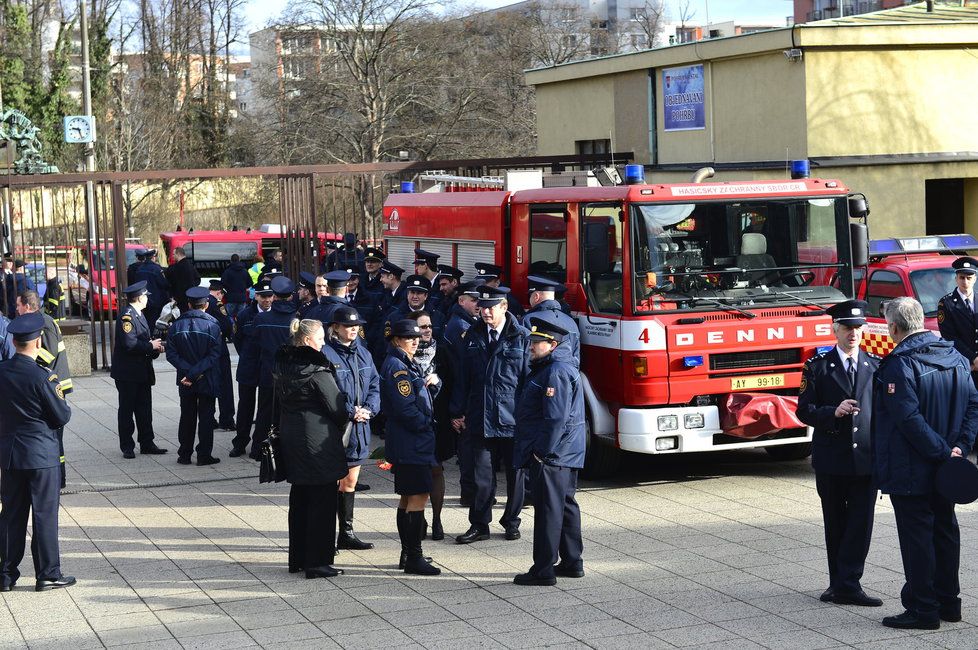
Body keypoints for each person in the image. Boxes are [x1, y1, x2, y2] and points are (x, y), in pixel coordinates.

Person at [873, 296, 978, 630]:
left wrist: (943, 451)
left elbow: (908, 419)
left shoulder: (899, 363)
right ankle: (950, 604)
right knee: (945, 531)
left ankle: (924, 609)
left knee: (917, 537)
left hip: (913, 467)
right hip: (947, 466)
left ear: (893, 328)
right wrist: (959, 447)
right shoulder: (956, 356)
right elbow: (974, 405)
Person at [796, 300, 882, 607]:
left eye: (858, 328)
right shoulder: (817, 366)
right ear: (835, 330)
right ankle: (839, 584)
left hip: (865, 460)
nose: (853, 334)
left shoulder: (875, 365)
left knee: (861, 523)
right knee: (836, 522)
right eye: (847, 328)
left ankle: (849, 583)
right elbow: (804, 411)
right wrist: (834, 412)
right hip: (832, 458)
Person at [0, 313, 75, 592]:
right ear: (38, 341)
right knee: (44, 515)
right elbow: (61, 415)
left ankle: (6, 574)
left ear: (14, 341)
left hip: (9, 455)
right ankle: (47, 574)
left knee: (11, 515)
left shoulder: (2, 371)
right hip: (41, 457)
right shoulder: (44, 376)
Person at [451, 285, 530, 544]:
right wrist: (457, 410)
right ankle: (479, 524)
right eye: (482, 307)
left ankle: (511, 521)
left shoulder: (522, 337)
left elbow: (529, 381)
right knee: (481, 475)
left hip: (512, 418)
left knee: (515, 474)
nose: (485, 312)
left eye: (490, 307)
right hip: (480, 415)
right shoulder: (472, 335)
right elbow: (462, 378)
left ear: (504, 307)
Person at [511, 319, 586, 586]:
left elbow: (555, 419)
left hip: (553, 455)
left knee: (549, 510)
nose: (530, 347)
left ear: (552, 345)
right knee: (565, 506)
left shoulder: (554, 371)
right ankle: (572, 561)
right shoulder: (555, 367)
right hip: (564, 453)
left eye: (536, 342)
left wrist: (541, 453)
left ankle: (543, 569)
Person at [276, 318, 349, 579]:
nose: (323, 344)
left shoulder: (284, 364)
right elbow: (338, 410)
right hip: (318, 442)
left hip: (292, 439)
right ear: (308, 341)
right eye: (320, 339)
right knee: (322, 502)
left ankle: (298, 557)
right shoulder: (317, 371)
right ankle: (318, 561)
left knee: (300, 500)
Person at [381, 319, 440, 575]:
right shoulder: (398, 367)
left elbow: (416, 396)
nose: (415, 341)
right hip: (412, 442)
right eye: (409, 338)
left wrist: (431, 387)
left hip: (410, 442)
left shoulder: (406, 362)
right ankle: (414, 556)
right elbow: (406, 408)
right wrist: (426, 422)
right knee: (417, 497)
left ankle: (408, 553)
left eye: (417, 337)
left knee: (408, 498)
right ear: (396, 340)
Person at [322, 306, 380, 551]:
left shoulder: (364, 353)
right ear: (335, 327)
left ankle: (346, 533)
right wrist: (350, 410)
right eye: (348, 326)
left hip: (359, 428)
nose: (353, 329)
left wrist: (369, 408)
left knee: (350, 482)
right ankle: (326, 536)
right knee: (329, 484)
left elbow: (375, 383)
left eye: (356, 325)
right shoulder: (325, 354)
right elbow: (326, 391)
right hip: (334, 429)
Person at [16, 290, 73, 488]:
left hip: (53, 385)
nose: (16, 309)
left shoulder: (44, 322)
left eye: (18, 305)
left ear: (27, 306)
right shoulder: (39, 321)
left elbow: (48, 355)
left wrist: (27, 363)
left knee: (55, 436)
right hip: (48, 384)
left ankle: (59, 478)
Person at [407, 310, 454, 540]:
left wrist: (439, 380)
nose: (425, 331)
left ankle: (436, 520)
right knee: (416, 472)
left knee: (436, 469)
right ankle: (419, 517)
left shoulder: (442, 351)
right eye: (421, 327)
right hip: (414, 421)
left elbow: (454, 380)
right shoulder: (406, 355)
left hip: (437, 419)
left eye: (428, 326)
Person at [166, 286, 223, 466]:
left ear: (189, 304)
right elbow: (214, 355)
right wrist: (195, 373)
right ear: (206, 304)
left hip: (185, 380)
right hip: (206, 377)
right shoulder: (213, 325)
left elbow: (171, 354)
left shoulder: (176, 326)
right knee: (206, 417)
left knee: (187, 416)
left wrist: (188, 374)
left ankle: (185, 454)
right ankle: (204, 454)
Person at [111, 282, 167, 459]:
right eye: (146, 296)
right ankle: (127, 446)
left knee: (144, 409)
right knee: (127, 410)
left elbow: (144, 341)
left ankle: (147, 442)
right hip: (127, 373)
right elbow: (130, 344)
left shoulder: (140, 315)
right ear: (140, 298)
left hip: (142, 370)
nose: (148, 299)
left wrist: (154, 348)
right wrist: (150, 345)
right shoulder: (127, 317)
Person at [443, 282, 482, 506]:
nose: (478, 305)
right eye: (474, 300)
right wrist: (458, 410)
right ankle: (469, 495)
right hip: (464, 403)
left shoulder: (467, 322)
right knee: (468, 453)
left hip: (468, 401)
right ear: (461, 301)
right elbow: (459, 374)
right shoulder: (460, 327)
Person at [251, 276, 298, 460]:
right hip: (292, 377)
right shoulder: (298, 319)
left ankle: (258, 450)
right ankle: (287, 450)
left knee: (264, 413)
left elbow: (254, 346)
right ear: (291, 296)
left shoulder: (261, 318)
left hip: (268, 374)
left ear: (274, 296)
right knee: (290, 414)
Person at [230, 279, 274, 458]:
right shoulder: (244, 315)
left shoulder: (275, 315)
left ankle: (259, 445)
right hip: (249, 365)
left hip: (267, 368)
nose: (267, 300)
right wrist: (247, 356)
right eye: (263, 296)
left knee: (265, 409)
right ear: (256, 296)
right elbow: (237, 340)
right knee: (245, 406)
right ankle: (240, 442)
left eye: (270, 296)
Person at [936, 256, 978, 389]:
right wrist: (973, 358)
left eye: (969, 277)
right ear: (956, 279)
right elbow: (950, 337)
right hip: (964, 364)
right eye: (961, 277)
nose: (965, 281)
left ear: (975, 279)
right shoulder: (946, 303)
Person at [523, 275, 580, 367]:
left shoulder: (528, 319)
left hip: (537, 379)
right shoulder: (571, 322)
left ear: (536, 296)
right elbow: (576, 358)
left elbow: (524, 356)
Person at [206, 280, 236, 431]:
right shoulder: (217, 304)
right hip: (219, 348)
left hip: (205, 350)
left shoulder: (202, 301)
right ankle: (227, 419)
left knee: (209, 384)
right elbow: (226, 325)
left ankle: (208, 418)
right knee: (224, 385)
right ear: (219, 293)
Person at [385, 275, 445, 341]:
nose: (415, 296)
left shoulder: (438, 317)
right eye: (412, 292)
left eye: (419, 293)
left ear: (426, 296)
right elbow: (388, 341)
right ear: (407, 294)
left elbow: (441, 343)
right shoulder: (394, 317)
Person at [136, 249, 171, 328]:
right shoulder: (156, 269)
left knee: (146, 319)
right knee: (155, 320)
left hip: (143, 298)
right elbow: (164, 284)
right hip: (156, 299)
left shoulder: (140, 269)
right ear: (153, 258)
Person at [165, 247, 201, 311]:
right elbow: (198, 279)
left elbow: (169, 283)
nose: (172, 256)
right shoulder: (190, 265)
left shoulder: (175, 268)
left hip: (179, 300)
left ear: (178, 254)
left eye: (173, 254)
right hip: (190, 298)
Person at [221, 253, 253, 321]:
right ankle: (240, 331)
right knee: (241, 318)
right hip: (242, 298)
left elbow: (223, 283)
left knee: (229, 317)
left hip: (231, 298)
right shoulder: (245, 271)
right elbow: (250, 283)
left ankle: (231, 331)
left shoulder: (227, 271)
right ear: (239, 260)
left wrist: (228, 289)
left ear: (231, 260)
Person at [413, 249, 442, 314]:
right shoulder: (423, 283)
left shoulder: (441, 284)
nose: (416, 268)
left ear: (425, 266)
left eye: (418, 265)